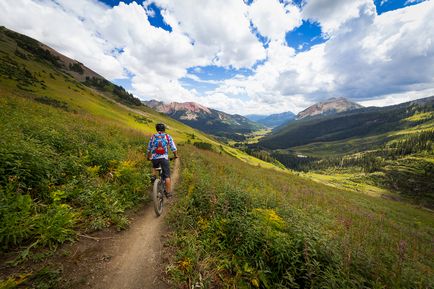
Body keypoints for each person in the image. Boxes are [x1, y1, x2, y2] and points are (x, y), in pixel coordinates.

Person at [147, 123, 178, 197]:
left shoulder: (153, 137)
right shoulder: (167, 136)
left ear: (157, 129)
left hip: (155, 158)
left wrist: (148, 157)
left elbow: (149, 149)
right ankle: (168, 193)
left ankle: (153, 176)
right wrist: (175, 155)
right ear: (164, 129)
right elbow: (173, 148)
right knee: (167, 176)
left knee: (154, 166)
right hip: (164, 158)